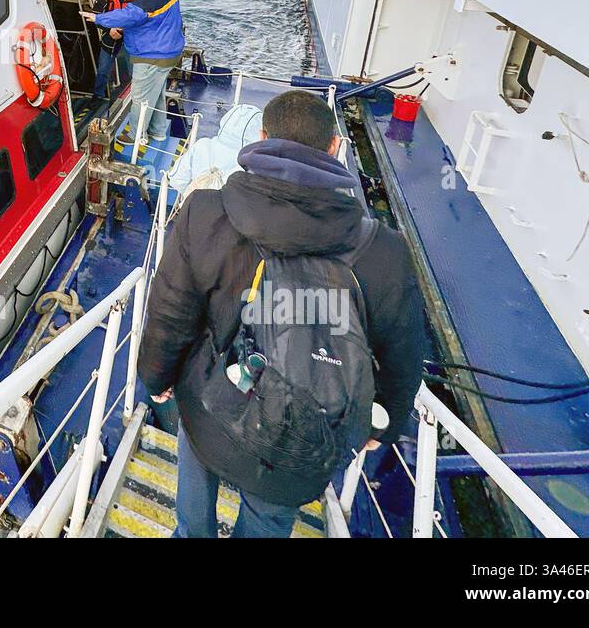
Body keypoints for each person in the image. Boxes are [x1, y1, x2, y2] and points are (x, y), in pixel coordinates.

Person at [137, 89, 427, 538]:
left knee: (195, 501)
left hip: (210, 405)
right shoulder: (385, 252)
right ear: (335, 147)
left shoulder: (205, 213)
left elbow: (171, 312)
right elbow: (401, 353)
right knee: (268, 520)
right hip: (302, 439)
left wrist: (157, 377)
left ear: (262, 136)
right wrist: (383, 421)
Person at [80, 0, 183, 149]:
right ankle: (158, 132)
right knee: (157, 93)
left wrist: (98, 19)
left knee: (140, 97)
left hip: (152, 56)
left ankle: (136, 135)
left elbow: (129, 15)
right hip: (168, 53)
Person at [90, 0, 135, 99]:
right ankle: (97, 97)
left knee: (134, 70)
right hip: (110, 37)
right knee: (103, 69)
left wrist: (123, 30)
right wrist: (109, 29)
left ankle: (136, 97)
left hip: (131, 38)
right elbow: (95, 16)